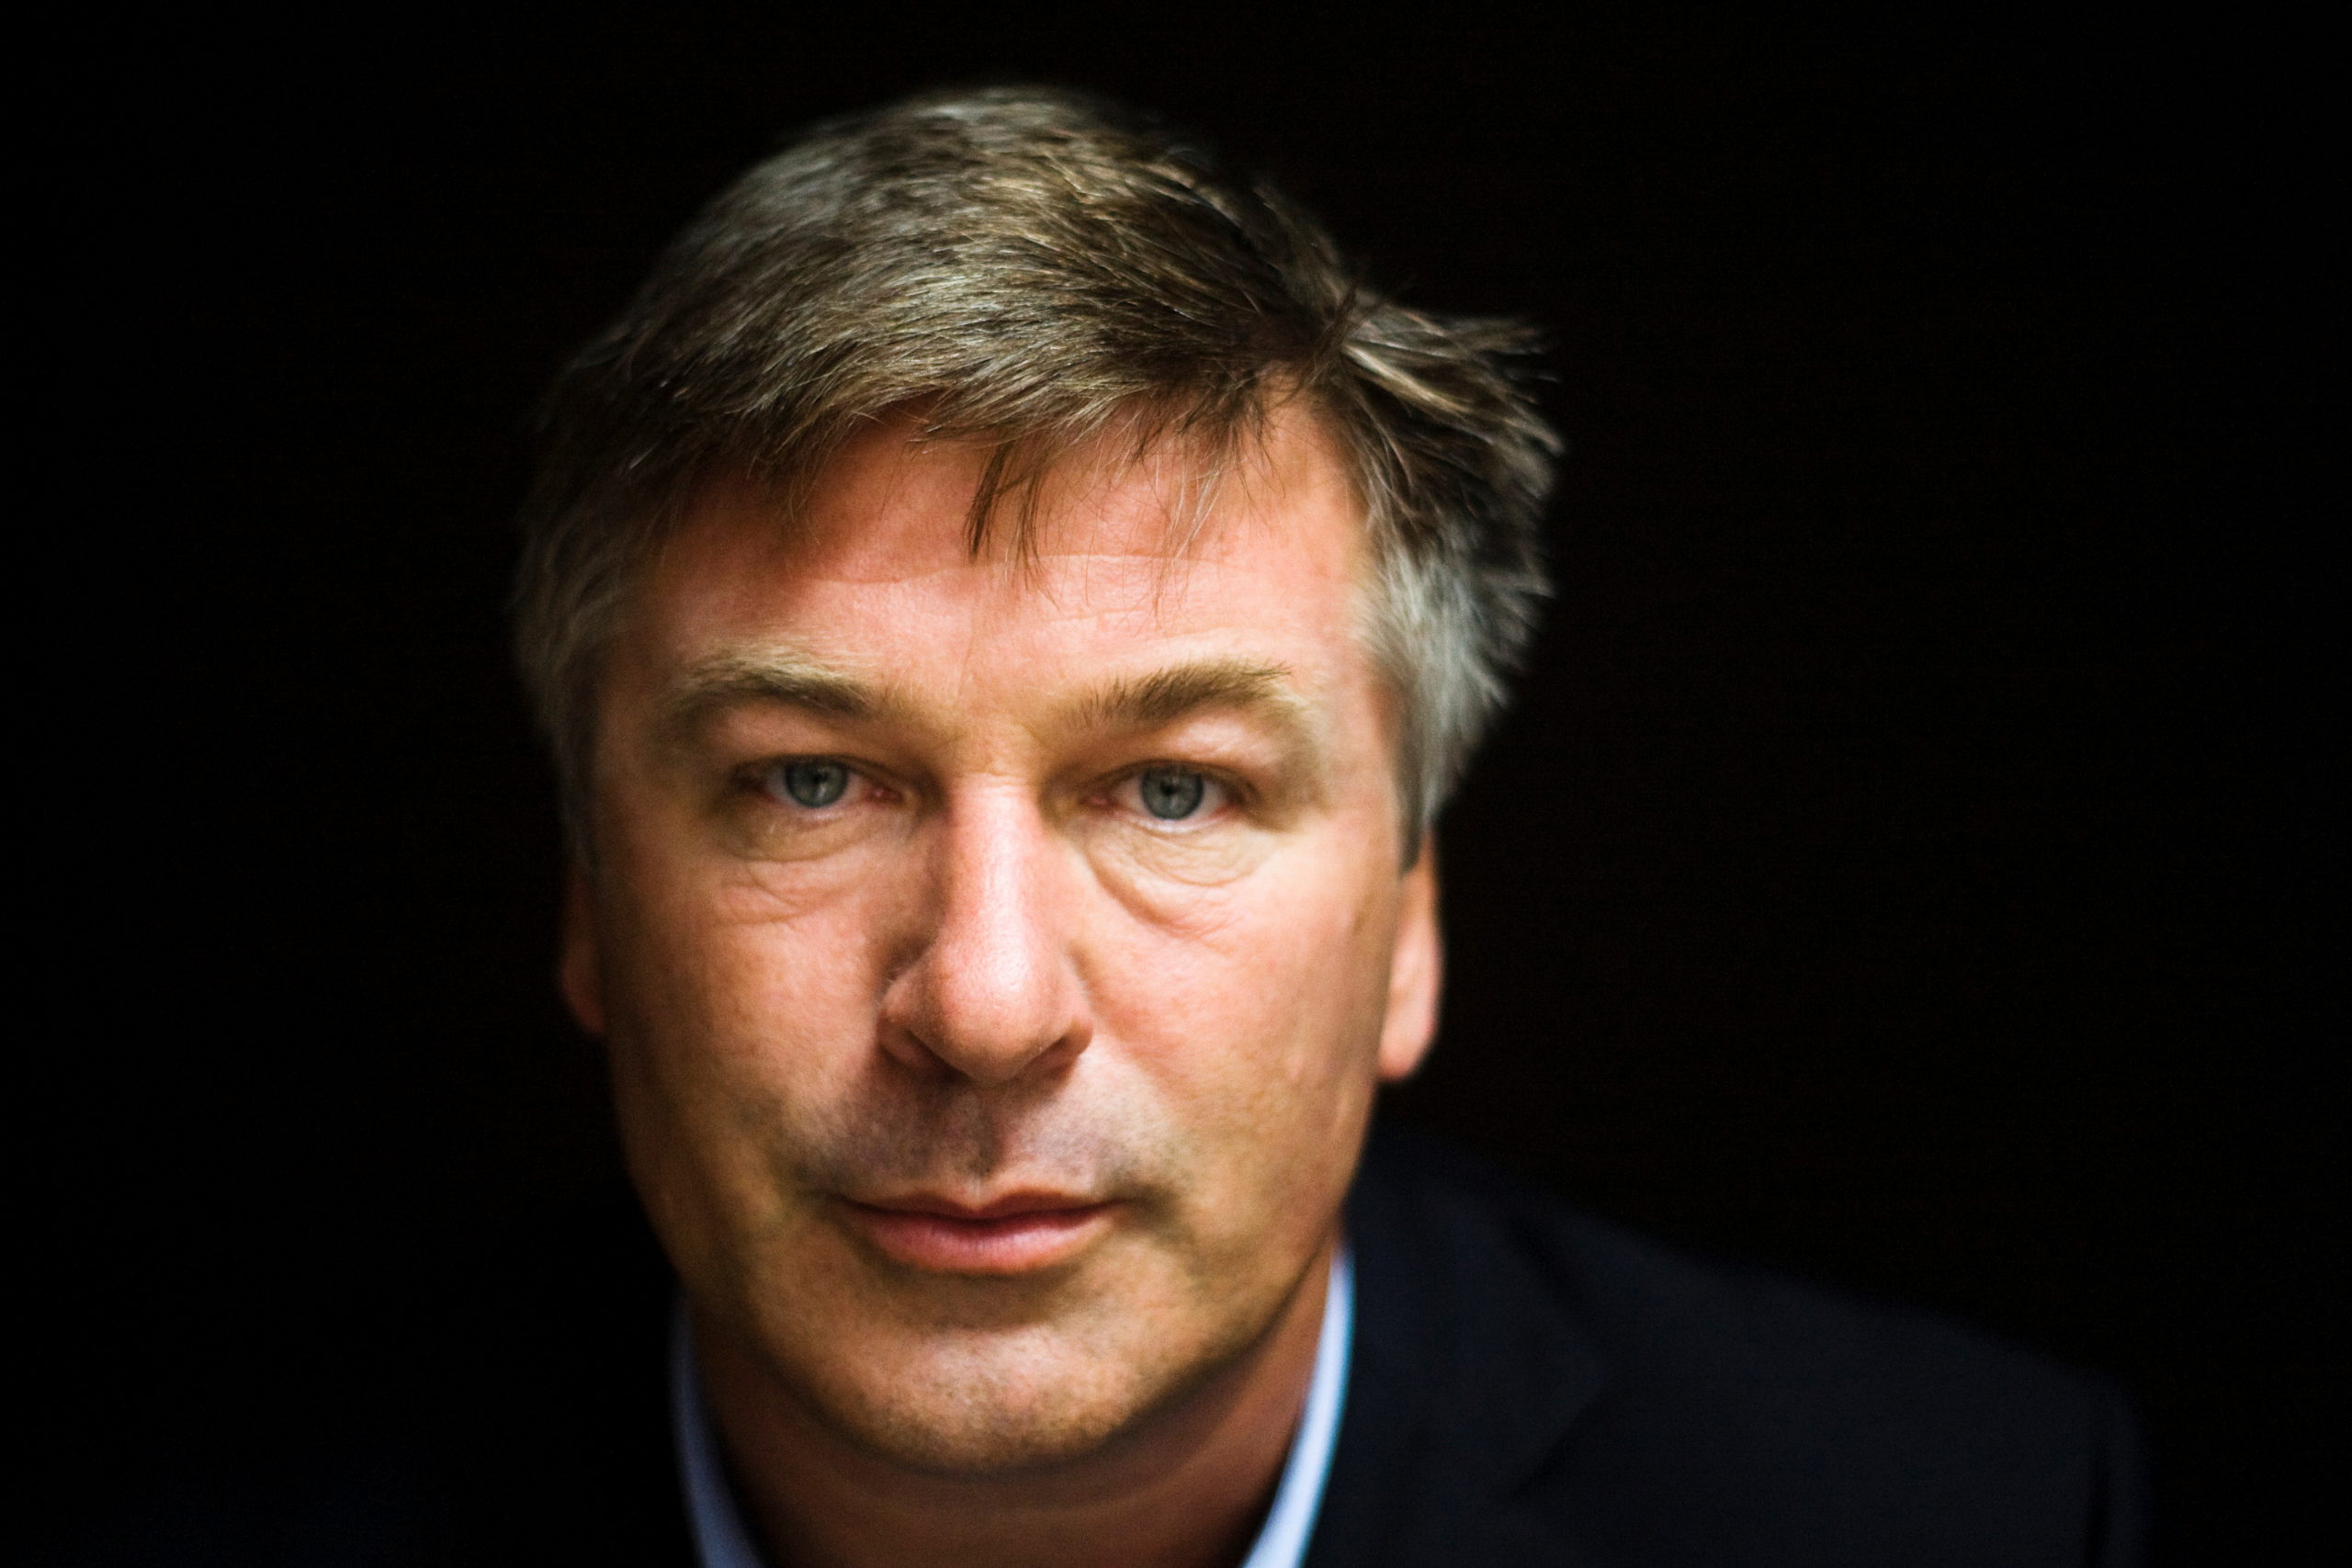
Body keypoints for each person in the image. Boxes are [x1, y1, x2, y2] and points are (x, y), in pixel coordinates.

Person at [101, 85, 2134, 1567]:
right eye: (812, 778)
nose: (983, 1002)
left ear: (1410, 915)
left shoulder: (1958, 1514)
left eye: (1174, 787)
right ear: (587, 898)